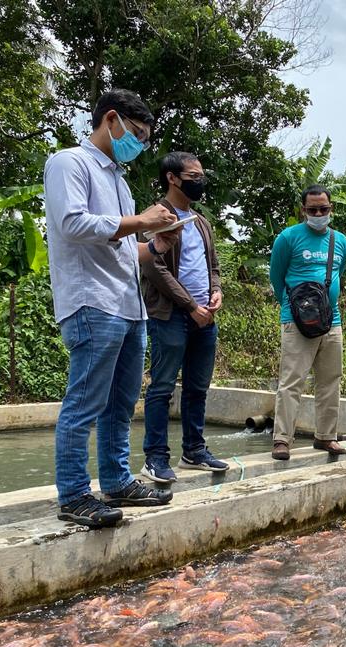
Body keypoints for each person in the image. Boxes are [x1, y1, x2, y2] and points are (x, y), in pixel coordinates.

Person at [44, 89, 177, 529]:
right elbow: (71, 224)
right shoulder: (69, 163)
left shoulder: (117, 178)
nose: (136, 144)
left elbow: (120, 248)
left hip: (127, 305)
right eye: (135, 134)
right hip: (91, 302)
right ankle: (74, 494)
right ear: (111, 119)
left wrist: (153, 243)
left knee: (120, 404)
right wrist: (141, 221)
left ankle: (117, 481)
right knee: (84, 402)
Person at [139, 151, 226, 483]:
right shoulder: (154, 216)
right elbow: (153, 266)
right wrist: (191, 306)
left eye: (201, 175)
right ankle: (156, 458)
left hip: (205, 316)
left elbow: (212, 267)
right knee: (161, 387)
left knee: (197, 387)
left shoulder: (201, 221)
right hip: (170, 315)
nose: (199, 181)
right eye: (193, 176)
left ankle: (194, 451)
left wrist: (216, 292)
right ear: (172, 178)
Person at [268, 184, 346, 461]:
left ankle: (326, 437)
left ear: (331, 209)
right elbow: (276, 277)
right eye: (312, 209)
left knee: (330, 381)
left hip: (332, 321)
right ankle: (282, 440)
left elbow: (340, 273)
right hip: (296, 321)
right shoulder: (288, 238)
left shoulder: (340, 241)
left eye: (323, 209)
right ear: (303, 210)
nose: (318, 213)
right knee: (292, 382)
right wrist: (293, 310)